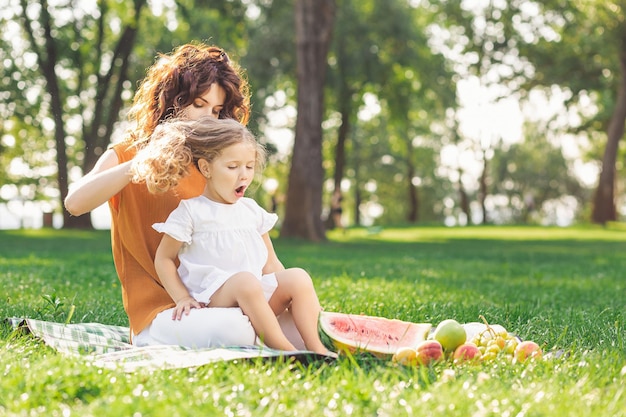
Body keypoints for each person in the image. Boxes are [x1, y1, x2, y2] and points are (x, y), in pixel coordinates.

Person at [64, 42, 309, 350]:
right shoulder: (130, 151)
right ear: (171, 101)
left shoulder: (216, 162)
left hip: (228, 299)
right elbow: (75, 203)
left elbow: (261, 253)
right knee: (237, 330)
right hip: (166, 313)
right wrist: (144, 160)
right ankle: (264, 332)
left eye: (217, 110)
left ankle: (272, 330)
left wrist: (289, 297)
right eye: (198, 104)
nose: (208, 119)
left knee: (302, 320)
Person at [130, 116, 331, 354]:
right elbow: (163, 258)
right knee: (245, 281)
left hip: (253, 293)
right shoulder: (192, 211)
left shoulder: (251, 210)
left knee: (297, 276)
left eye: (249, 166)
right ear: (206, 168)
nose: (243, 175)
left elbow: (271, 263)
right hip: (214, 296)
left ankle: (317, 347)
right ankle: (285, 349)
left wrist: (287, 293)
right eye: (232, 167)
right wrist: (182, 297)